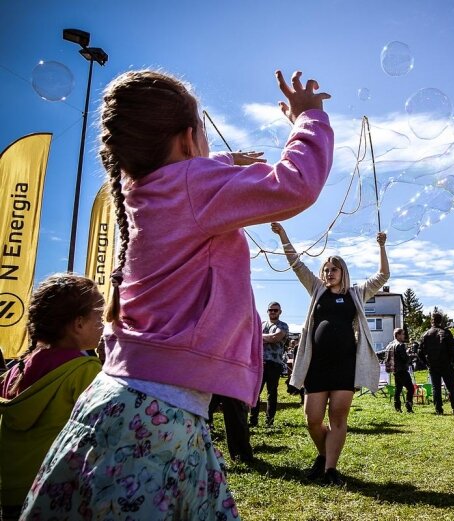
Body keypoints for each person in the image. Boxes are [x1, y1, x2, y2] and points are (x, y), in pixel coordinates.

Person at [21, 69, 333, 519]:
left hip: (125, 405)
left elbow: (190, 177)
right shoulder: (191, 187)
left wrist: (224, 162)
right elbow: (296, 184)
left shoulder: (139, 191)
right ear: (189, 140)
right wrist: (310, 120)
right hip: (157, 419)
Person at [273, 221, 389, 487]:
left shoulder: (356, 293)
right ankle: (324, 454)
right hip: (317, 365)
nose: (329, 273)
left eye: (333, 269)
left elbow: (383, 276)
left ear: (342, 271)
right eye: (325, 270)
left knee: (338, 418)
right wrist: (283, 235)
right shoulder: (317, 290)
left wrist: (382, 246)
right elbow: (296, 264)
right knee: (312, 419)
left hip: (344, 365)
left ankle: (330, 469)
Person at [0, 274, 103, 520]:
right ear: (78, 324)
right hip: (51, 491)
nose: (104, 322)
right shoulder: (85, 371)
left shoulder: (16, 369)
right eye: (99, 315)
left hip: (9, 492)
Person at [250, 302, 289, 427]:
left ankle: (269, 421)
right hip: (259, 363)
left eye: (275, 310)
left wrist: (259, 336)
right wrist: (266, 337)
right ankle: (253, 420)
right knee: (255, 392)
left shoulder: (283, 325)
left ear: (280, 312)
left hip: (274, 363)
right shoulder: (261, 324)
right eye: (270, 310)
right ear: (267, 311)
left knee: (271, 392)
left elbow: (275, 338)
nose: (273, 312)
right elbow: (252, 337)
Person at [419, 312, 454, 416]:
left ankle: (438, 409)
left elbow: (419, 352)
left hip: (433, 365)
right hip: (446, 364)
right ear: (441, 321)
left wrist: (427, 363)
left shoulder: (425, 334)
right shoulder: (446, 333)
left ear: (432, 321)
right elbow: (452, 350)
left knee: (436, 387)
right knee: (452, 387)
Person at [385, 328, 414, 413]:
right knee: (411, 388)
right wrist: (409, 355)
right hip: (402, 369)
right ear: (397, 335)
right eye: (402, 334)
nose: (404, 336)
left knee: (398, 389)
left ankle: (397, 407)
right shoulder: (400, 345)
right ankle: (409, 406)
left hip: (395, 370)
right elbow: (405, 358)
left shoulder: (390, 345)